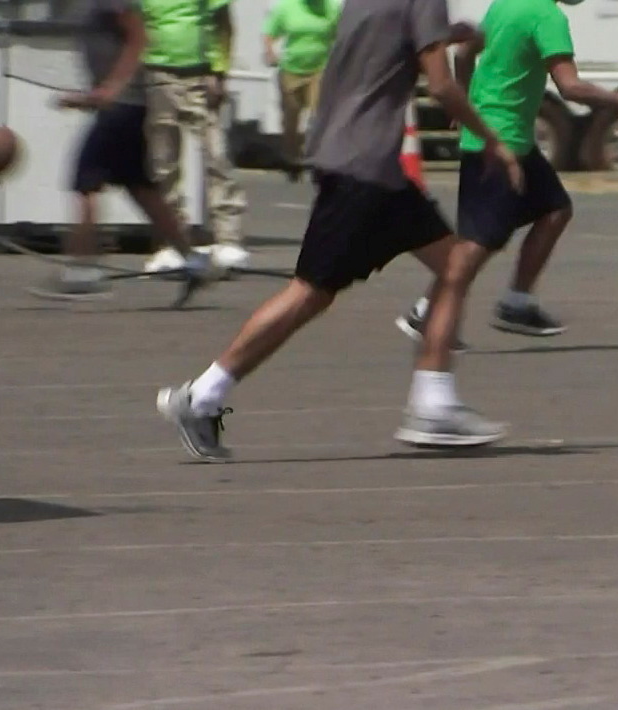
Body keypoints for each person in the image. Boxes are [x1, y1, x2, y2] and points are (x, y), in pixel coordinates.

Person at [156, 0, 524, 459]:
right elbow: (442, 86)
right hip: (365, 170)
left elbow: (384, 41)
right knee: (310, 292)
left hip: (358, 163)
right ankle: (201, 396)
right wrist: (494, 143)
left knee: (455, 265)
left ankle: (434, 401)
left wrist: (448, 33)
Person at [393, 0, 618, 342]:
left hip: (509, 139)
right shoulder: (547, 16)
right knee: (479, 242)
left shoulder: (506, 4)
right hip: (500, 142)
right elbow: (571, 88)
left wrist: (465, 105)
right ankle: (426, 313)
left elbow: (464, 54)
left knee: (555, 209)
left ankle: (516, 303)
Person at [31, 0, 217, 301]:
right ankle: (194, 262)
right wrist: (91, 96)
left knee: (86, 183)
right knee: (141, 189)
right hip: (126, 106)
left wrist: (113, 89)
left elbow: (139, 37)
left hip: (123, 106)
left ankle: (82, 272)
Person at [140, 0, 251, 274]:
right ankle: (172, 240)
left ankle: (228, 239)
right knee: (163, 163)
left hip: (200, 73)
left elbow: (223, 23)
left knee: (217, 155)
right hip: (155, 73)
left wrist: (220, 71)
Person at [263, 0, 342, 183]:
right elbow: (269, 33)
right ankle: (292, 159)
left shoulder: (331, 8)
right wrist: (270, 52)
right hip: (291, 70)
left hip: (319, 69)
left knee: (318, 115)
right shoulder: (287, 7)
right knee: (291, 119)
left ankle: (317, 159)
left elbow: (340, 35)